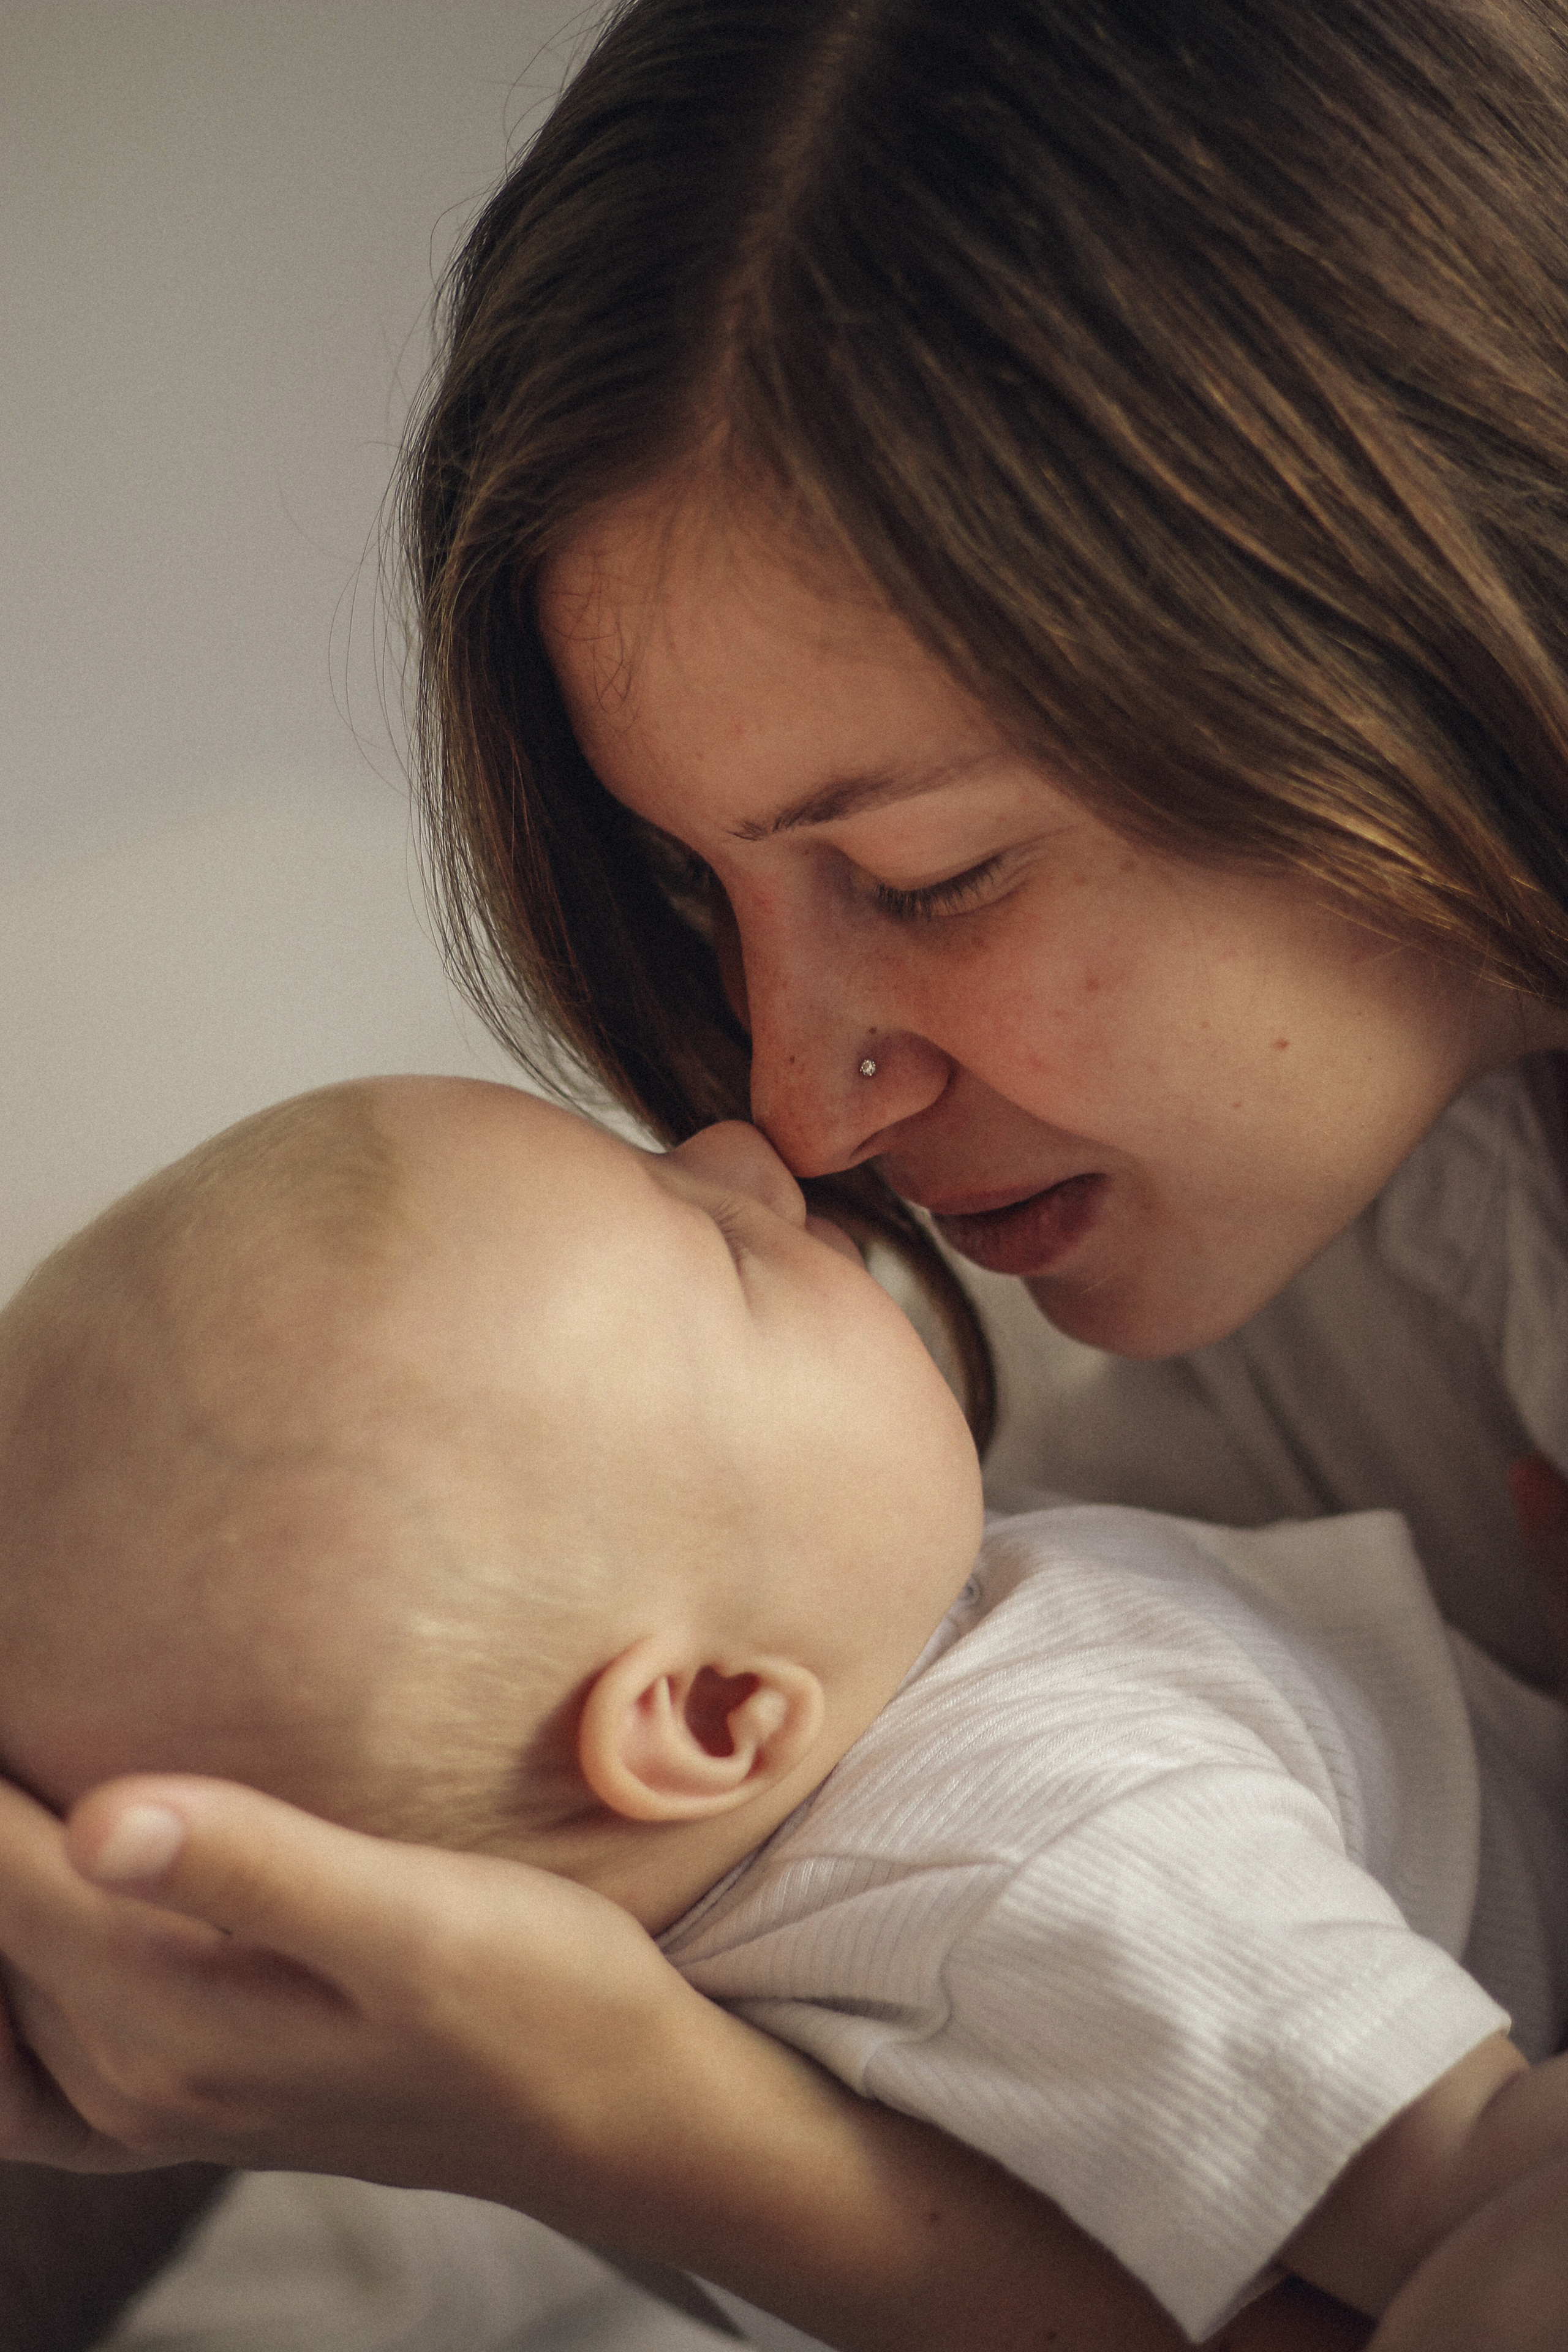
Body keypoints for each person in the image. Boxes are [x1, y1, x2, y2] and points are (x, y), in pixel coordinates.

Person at [4, 1, 1568, 2345]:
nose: (801, 1115)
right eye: (700, 895)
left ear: (1397, 621)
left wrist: (634, 2123)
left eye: (930, 877)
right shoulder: (1259, 1282)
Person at [2, 1074, 1566, 2351]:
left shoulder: (804, 1770)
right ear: (709, 1714)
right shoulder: (1047, 1872)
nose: (746, 1156)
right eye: (725, 1255)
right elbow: (1483, 2211)